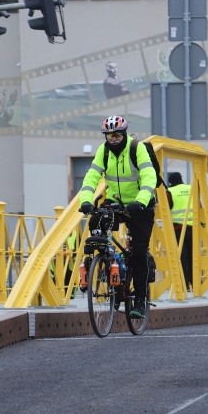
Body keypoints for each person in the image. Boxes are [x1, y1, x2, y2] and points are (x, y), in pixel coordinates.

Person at [77, 115, 157, 318]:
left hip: (141, 205)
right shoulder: (103, 152)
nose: (112, 138)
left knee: (138, 254)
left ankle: (139, 301)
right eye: (108, 135)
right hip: (116, 202)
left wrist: (141, 200)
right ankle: (103, 264)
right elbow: (91, 177)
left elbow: (149, 176)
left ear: (124, 133)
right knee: (96, 221)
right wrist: (85, 200)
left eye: (116, 134)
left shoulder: (136, 148)